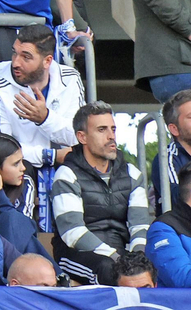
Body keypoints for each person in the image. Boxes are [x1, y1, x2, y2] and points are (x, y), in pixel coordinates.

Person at [0, 24, 84, 233]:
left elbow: (79, 137)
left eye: (26, 57)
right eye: (14, 53)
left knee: (84, 162)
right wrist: (51, 155)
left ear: (48, 61)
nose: (16, 62)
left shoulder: (71, 79)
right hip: (20, 166)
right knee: (15, 169)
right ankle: (21, 240)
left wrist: (45, 118)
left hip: (65, 162)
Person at [51, 101, 150, 285]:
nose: (111, 136)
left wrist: (137, 258)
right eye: (102, 130)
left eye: (113, 129)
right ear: (82, 137)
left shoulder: (132, 173)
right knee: (107, 268)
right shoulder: (66, 174)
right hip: (75, 255)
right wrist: (118, 259)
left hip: (121, 254)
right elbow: (73, 233)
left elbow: (140, 226)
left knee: (151, 264)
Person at [0, 132, 49, 261]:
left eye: (22, 161)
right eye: (16, 164)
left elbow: (19, 230)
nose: (23, 168)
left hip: (17, 255)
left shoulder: (25, 184)